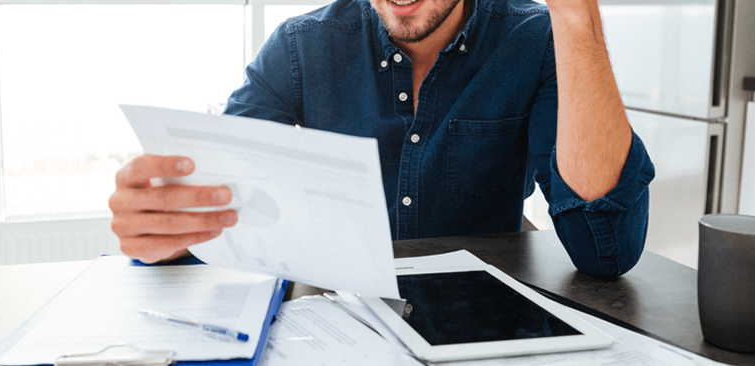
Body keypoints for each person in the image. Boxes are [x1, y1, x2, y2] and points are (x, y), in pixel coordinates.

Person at [109, 0, 654, 279]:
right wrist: (167, 226)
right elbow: (225, 199)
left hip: (484, 329)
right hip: (331, 325)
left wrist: (577, 16)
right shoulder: (301, 47)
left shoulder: (537, 39)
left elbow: (605, 249)